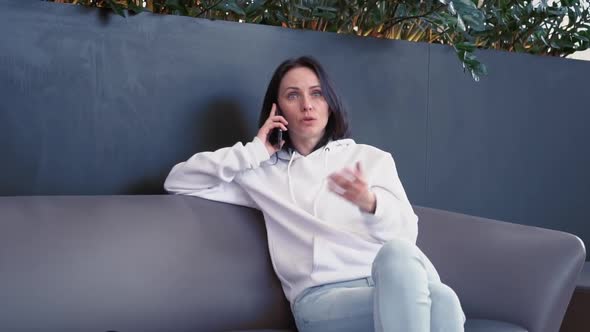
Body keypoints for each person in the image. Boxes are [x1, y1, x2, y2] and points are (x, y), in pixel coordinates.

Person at [164, 56, 466, 332]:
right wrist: (255, 151)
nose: (307, 104)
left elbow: (407, 235)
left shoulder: (373, 159)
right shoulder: (261, 172)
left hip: (387, 282)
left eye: (316, 93)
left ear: (330, 103)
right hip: (321, 301)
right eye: (293, 95)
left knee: (421, 277)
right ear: (278, 110)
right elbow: (180, 180)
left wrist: (370, 204)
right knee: (441, 298)